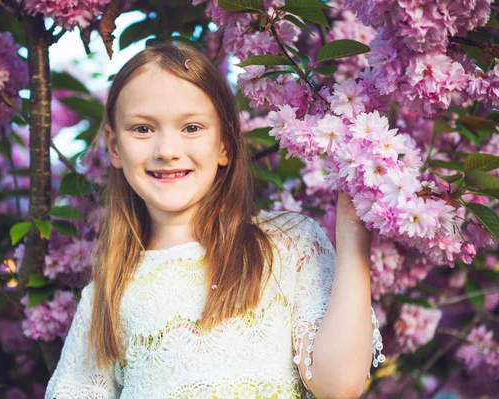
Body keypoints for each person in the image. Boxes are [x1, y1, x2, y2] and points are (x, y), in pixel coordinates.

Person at [45, 41, 384, 399]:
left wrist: (353, 234)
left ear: (224, 142)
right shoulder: (110, 289)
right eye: (143, 129)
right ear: (114, 146)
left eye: (191, 128)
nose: (167, 151)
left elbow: (340, 385)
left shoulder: (287, 245)